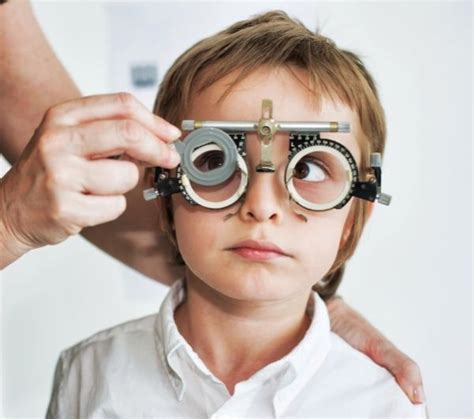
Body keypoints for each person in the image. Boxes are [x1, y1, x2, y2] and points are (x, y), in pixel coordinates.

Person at [0, 0, 426, 409]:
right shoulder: (89, 376)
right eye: (215, 161)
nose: (261, 206)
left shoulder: (380, 402)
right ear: (165, 194)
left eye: (308, 169)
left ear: (355, 215)